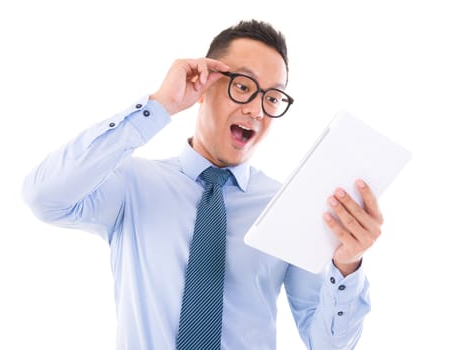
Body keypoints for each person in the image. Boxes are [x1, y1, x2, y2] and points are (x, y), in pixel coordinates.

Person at [22, 19, 383, 350]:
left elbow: (329, 345)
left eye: (272, 97)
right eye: (243, 86)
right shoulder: (131, 184)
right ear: (205, 86)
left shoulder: (285, 205)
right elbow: (45, 197)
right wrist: (159, 106)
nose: (257, 111)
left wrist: (347, 265)